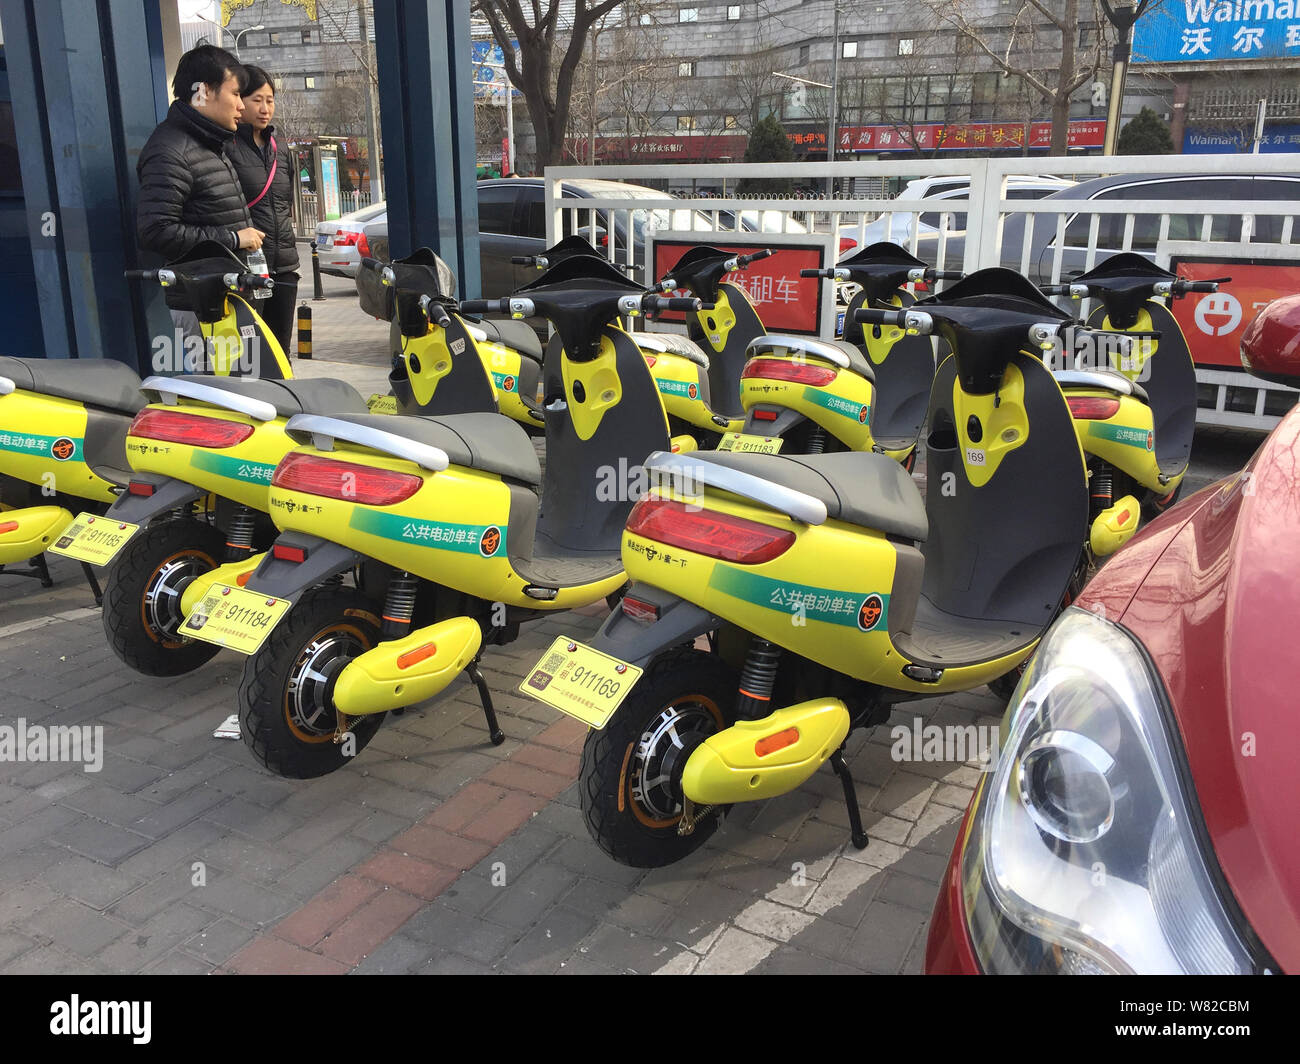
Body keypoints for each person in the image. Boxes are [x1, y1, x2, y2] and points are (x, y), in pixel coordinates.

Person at [137, 45, 264, 262]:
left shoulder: (210, 142)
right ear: (203, 92)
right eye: (235, 94)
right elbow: (156, 231)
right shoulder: (171, 151)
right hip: (202, 292)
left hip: (228, 287)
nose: (241, 106)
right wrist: (233, 239)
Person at [227, 66, 300, 354]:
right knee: (251, 356)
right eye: (257, 100)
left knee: (280, 353)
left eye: (270, 100)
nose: (265, 108)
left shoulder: (279, 147)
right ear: (239, 101)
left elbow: (285, 202)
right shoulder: (226, 147)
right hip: (247, 269)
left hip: (284, 267)